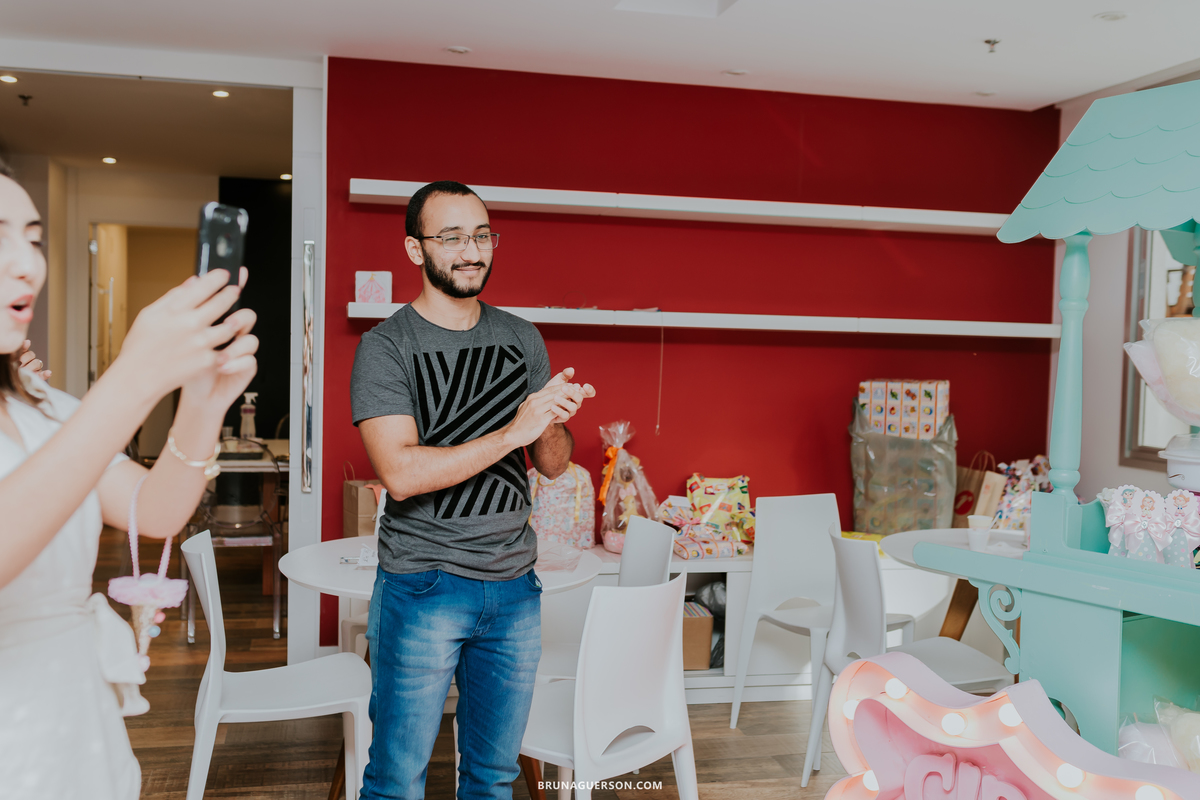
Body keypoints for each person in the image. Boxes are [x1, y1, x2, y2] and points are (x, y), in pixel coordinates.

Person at [0, 163, 259, 799]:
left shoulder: (46, 408)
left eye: (32, 238)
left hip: (77, 728)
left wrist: (202, 403)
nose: (27, 264)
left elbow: (155, 508)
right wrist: (133, 377)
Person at [352, 180, 595, 799]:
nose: (472, 251)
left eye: (482, 235)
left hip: (515, 589)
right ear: (416, 250)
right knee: (396, 781)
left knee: (494, 778)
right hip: (422, 586)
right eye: (452, 236)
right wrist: (513, 429)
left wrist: (551, 417)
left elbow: (553, 465)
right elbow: (401, 474)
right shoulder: (387, 347)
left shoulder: (522, 338)